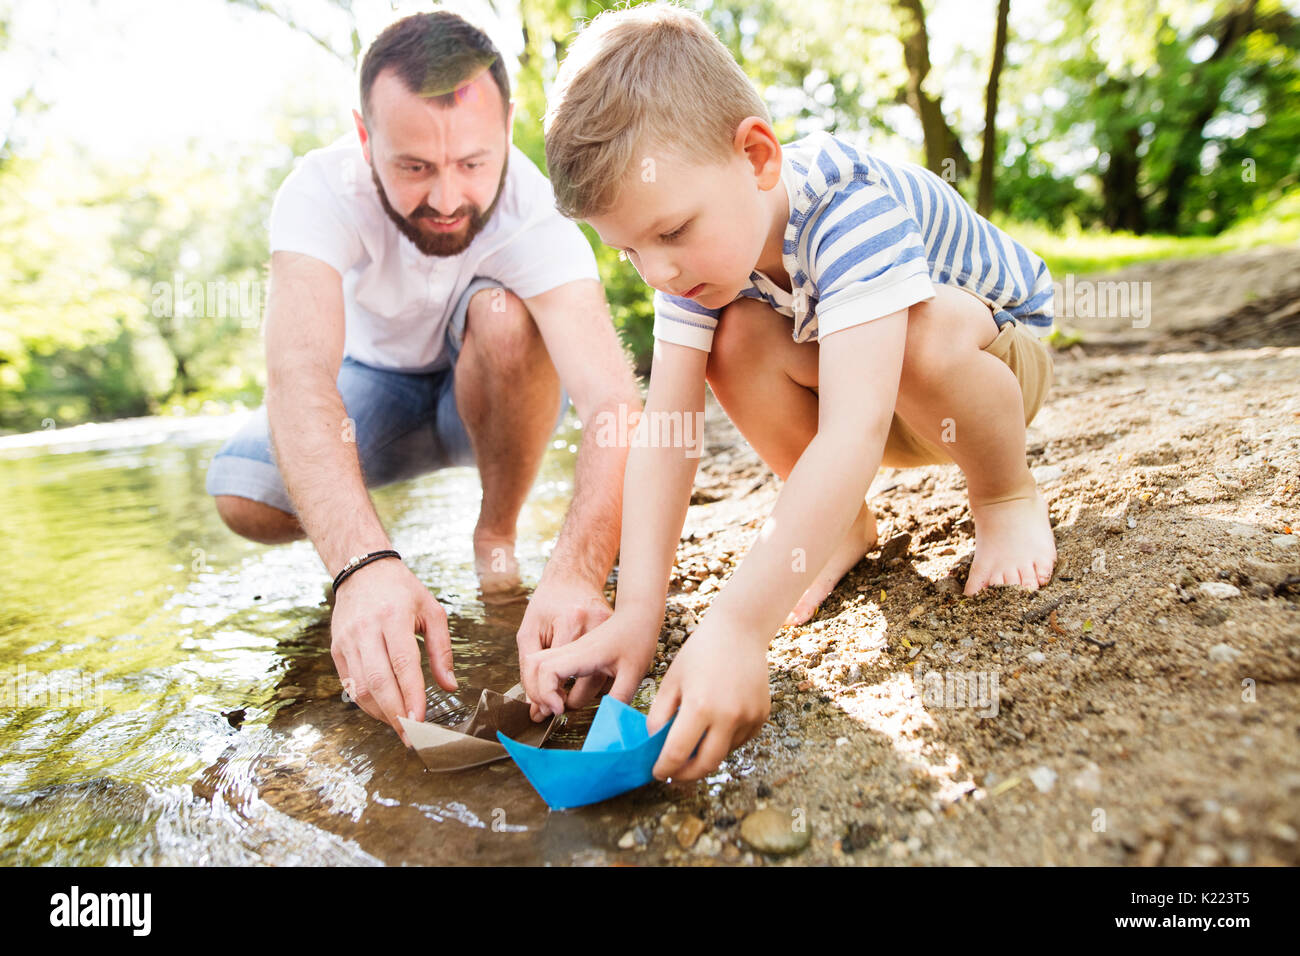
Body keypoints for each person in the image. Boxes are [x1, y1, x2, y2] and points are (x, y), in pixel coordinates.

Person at [522, 3, 1058, 781]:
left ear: (757, 156)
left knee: (915, 334)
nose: (659, 271)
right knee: (729, 338)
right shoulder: (693, 268)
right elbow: (668, 435)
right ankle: (842, 526)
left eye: (670, 232)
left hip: (986, 370)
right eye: (629, 251)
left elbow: (853, 430)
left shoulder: (847, 205)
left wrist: (739, 629)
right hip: (867, 390)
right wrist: (640, 611)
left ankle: (1005, 495)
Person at [205, 11, 641, 747]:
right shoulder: (317, 190)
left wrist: (576, 573)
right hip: (373, 386)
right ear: (365, 135)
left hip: (496, 385)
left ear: (506, 125)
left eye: (473, 163)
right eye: (413, 166)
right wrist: (361, 564)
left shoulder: (536, 208)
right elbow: (299, 376)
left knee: (503, 316)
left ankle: (494, 532)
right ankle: (376, 549)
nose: (446, 199)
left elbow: (612, 399)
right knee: (242, 498)